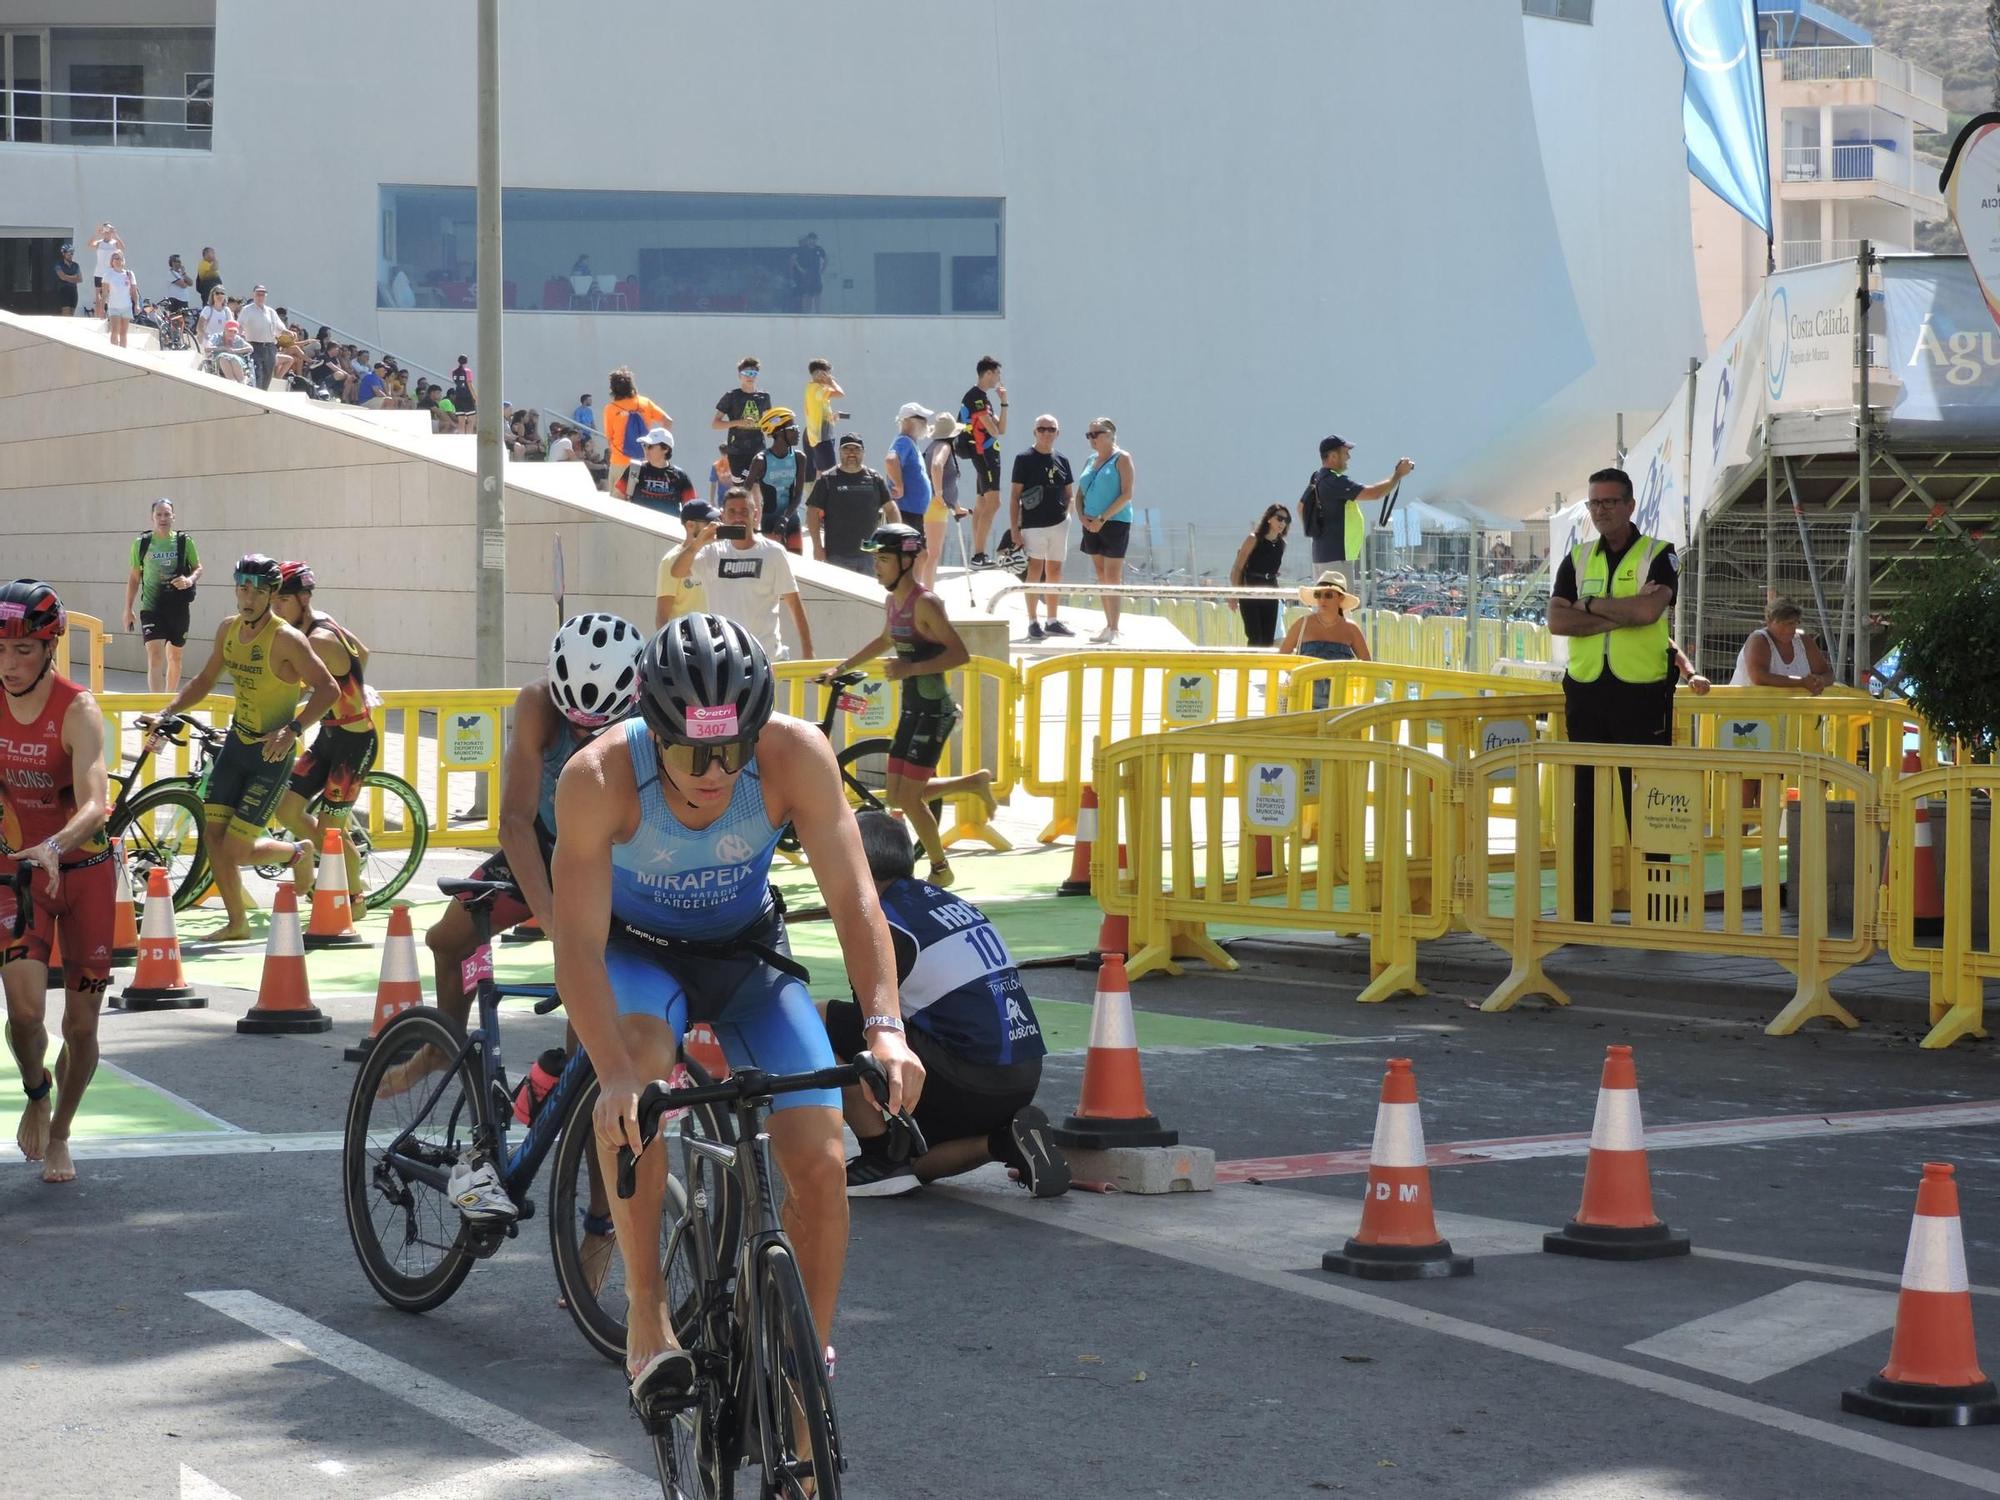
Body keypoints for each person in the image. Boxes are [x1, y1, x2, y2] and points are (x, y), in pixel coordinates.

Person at [552, 612, 923, 1405]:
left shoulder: (796, 755)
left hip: (748, 956)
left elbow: (857, 901)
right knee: (642, 1077)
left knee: (822, 1163)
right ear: (653, 729)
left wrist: (887, 1029)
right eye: (690, 749)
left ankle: (802, 1374)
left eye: (732, 747)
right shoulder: (598, 777)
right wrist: (614, 1075)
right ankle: (648, 1310)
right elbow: (578, 947)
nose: (714, 770)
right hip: (638, 956)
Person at [825, 811, 1067, 1197]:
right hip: (1020, 1076)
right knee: (916, 1164)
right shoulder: (942, 900)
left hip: (969, 1074)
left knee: (819, 1017)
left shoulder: (879, 921)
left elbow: (872, 1019)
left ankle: (878, 1158)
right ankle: (1003, 1141)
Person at [145, 554, 340, 943]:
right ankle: (237, 923)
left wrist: (293, 729)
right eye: (242, 588)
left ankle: (295, 852)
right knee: (214, 840)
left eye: (258, 591)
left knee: (235, 849)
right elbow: (203, 679)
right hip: (237, 745)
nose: (248, 598)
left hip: (271, 754)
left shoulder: (287, 639)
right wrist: (166, 711)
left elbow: (329, 689)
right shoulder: (228, 629)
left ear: (271, 595)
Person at [0, 582, 112, 1186]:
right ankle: (37, 1091)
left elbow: (95, 803)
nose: (8, 665)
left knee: (82, 1026)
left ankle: (62, 1132)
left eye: (21, 651)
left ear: (48, 647)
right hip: (18, 874)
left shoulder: (78, 710)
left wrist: (55, 844)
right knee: (22, 1012)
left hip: (86, 873)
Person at [817, 524, 998, 887]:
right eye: (876, 560)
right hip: (913, 707)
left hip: (934, 709)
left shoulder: (926, 603)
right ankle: (973, 782)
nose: (877, 567)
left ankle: (941, 868)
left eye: (883, 559)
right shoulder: (892, 602)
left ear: (906, 560)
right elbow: (885, 640)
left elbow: (960, 654)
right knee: (899, 794)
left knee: (911, 799)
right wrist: (840, 667)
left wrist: (910, 667)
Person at [1546, 467, 1678, 923]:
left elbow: (1647, 611)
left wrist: (1586, 606)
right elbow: (1557, 622)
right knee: (1587, 805)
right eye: (1594, 503)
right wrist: (1617, 614)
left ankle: (1658, 912)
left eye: (1609, 502)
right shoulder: (1577, 558)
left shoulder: (1660, 554)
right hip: (1586, 694)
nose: (1600, 511)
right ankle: (1583, 911)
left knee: (1649, 806)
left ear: (1630, 505)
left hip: (1641, 697)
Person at [269, 562, 378, 909]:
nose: (276, 609)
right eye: (273, 600)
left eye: (283, 601)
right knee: (287, 810)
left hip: (355, 742)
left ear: (303, 598)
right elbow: (362, 652)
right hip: (330, 737)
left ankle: (353, 897)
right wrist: (353, 686)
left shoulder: (317, 639)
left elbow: (296, 683)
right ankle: (334, 861)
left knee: (332, 827)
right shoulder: (319, 621)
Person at [663, 487, 814, 662]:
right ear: (723, 516)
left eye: (744, 511)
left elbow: (794, 603)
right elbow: (677, 571)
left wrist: (808, 651)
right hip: (723, 656)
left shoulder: (773, 552)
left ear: (755, 514)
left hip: (764, 656)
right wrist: (699, 542)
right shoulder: (712, 551)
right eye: (732, 512)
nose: (738, 517)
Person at [123, 499, 202, 693]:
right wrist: (128, 609)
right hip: (151, 607)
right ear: (152, 518)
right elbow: (134, 577)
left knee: (175, 658)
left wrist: (189, 580)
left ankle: (169, 703)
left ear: (173, 516)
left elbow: (198, 568)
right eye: (159, 514)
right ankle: (156, 708)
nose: (163, 518)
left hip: (178, 608)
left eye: (167, 514)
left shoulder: (184, 541)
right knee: (155, 656)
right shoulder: (142, 543)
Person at [1303, 435, 1414, 571]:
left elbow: (1300, 507)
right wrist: (1398, 475)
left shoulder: (1318, 477)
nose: (1348, 457)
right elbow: (1374, 493)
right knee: (1341, 593)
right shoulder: (1334, 481)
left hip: (1326, 555)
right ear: (1333, 456)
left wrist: (1317, 530)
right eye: (1345, 453)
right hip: (1337, 557)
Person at [1009, 415, 1075, 641]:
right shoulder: (1024, 458)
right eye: (1042, 428)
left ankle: (1052, 620)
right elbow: (1014, 496)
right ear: (1035, 431)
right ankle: (1032, 621)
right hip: (1033, 524)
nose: (1047, 432)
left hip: (1059, 523)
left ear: (1058, 432)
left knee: (1055, 571)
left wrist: (1068, 514)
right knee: (1035, 571)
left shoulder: (1063, 460)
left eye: (1051, 429)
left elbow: (1069, 493)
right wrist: (1015, 529)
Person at [1074, 418, 1136, 643]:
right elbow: (1079, 492)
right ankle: (1107, 624)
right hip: (1089, 522)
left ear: (1110, 434)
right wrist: (1081, 516)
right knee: (1101, 574)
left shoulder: (1122, 458)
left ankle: (1115, 627)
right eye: (1089, 435)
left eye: (1096, 434)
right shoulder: (1091, 460)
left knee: (1112, 576)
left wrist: (1102, 518)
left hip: (1114, 522)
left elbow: (1127, 494)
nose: (1092, 439)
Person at [808, 433, 898, 575]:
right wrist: (817, 547)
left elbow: (891, 509)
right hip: (838, 555)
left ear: (863, 452)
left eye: (856, 449)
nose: (851, 453)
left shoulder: (874, 478)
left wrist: (895, 537)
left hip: (870, 554)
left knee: (866, 596)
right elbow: (812, 512)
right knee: (840, 597)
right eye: (847, 449)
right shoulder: (827, 479)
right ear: (839, 452)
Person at [1281, 570, 1371, 709]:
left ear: (1340, 598)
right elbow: (1282, 657)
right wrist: (1298, 675)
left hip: (1339, 702)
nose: (1322, 599)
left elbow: (1367, 665)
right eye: (1318, 595)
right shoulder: (1303, 623)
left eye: (1328, 595)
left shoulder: (1351, 629)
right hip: (1303, 700)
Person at [959, 357, 1010, 565]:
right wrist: (995, 425)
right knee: (994, 503)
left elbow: (1002, 430)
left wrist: (1004, 403)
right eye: (997, 373)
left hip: (987, 453)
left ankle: (976, 554)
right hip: (984, 454)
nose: (999, 378)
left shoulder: (985, 399)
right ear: (988, 373)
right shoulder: (976, 397)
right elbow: (993, 430)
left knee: (981, 503)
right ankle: (979, 555)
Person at [746, 408, 811, 554]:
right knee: (771, 566)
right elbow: (744, 492)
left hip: (791, 519)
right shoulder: (761, 460)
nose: (798, 432)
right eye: (793, 428)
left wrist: (785, 518)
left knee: (797, 565)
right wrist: (748, 518)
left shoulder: (799, 458)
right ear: (779, 432)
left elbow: (798, 494)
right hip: (770, 522)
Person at [1730, 600, 1832, 693]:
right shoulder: (1758, 640)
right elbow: (1759, 677)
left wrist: (1820, 681)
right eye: (1783, 624)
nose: (1788, 629)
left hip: (1789, 711)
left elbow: (1827, 674)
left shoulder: (1804, 641)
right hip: (1746, 709)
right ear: (1769, 622)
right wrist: (1802, 682)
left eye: (1793, 623)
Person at [1231, 505, 1293, 648]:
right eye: (1280, 518)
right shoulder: (1253, 539)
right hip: (1250, 590)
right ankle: (1252, 669)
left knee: (1268, 640)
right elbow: (1238, 568)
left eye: (1286, 520)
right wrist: (1233, 595)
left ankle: (1264, 669)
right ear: (1269, 518)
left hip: (1271, 592)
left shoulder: (1281, 544)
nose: (1283, 523)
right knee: (1255, 637)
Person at [603, 367, 671, 495]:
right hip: (644, 462)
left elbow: (609, 438)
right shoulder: (645, 403)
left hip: (620, 462)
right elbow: (668, 421)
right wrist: (659, 447)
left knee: (617, 506)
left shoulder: (610, 409)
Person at [922, 413, 969, 589]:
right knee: (933, 553)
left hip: (931, 503)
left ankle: (926, 589)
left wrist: (956, 507)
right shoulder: (944, 446)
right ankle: (927, 591)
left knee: (929, 552)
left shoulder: (932, 445)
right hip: (936, 505)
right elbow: (936, 466)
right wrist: (940, 494)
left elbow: (950, 487)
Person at [654, 499, 717, 625]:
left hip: (714, 634)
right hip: (686, 637)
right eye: (709, 522)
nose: (714, 526)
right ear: (690, 526)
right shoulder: (670, 560)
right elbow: (662, 615)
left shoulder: (715, 553)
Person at [712, 357, 771, 481]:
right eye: (747, 373)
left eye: (754, 374)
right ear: (740, 376)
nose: (751, 377)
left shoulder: (764, 397)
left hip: (758, 448)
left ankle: (759, 501)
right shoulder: (731, 396)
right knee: (742, 482)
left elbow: (768, 421)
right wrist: (739, 422)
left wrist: (775, 426)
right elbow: (715, 424)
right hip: (737, 450)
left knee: (756, 482)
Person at [621, 427, 696, 519]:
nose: (646, 450)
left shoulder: (681, 476)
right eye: (644, 445)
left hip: (666, 531)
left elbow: (691, 509)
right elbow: (617, 497)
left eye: (650, 446)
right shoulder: (635, 469)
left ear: (665, 449)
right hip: (638, 528)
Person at [884, 403, 934, 529]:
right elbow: (891, 460)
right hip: (906, 511)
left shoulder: (909, 442)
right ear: (909, 421)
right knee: (910, 547)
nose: (926, 424)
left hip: (912, 511)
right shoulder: (904, 441)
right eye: (923, 420)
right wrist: (898, 485)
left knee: (918, 548)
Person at [802, 358, 847, 482]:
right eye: (827, 373)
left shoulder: (813, 389)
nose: (830, 376)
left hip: (821, 434)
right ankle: (830, 496)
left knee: (821, 471)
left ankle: (820, 497)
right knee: (831, 471)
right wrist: (830, 381)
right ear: (821, 374)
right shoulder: (816, 389)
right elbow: (840, 393)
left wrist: (832, 418)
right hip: (821, 437)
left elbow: (816, 412)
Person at [239, 285, 285, 389]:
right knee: (257, 375)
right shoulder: (247, 310)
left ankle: (262, 396)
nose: (260, 296)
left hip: (269, 347)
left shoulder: (271, 312)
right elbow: (240, 325)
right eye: (258, 294)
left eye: (263, 294)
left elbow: (279, 327)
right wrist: (238, 336)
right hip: (254, 346)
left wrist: (289, 333)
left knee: (268, 375)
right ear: (253, 295)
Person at [102, 250, 137, 349]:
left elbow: (134, 291)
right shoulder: (108, 274)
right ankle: (114, 353)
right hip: (114, 306)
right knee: (115, 331)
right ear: (112, 261)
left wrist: (137, 304)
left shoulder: (129, 274)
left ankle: (123, 353)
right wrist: (102, 308)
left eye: (119, 258)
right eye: (115, 258)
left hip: (126, 306)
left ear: (123, 260)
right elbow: (104, 293)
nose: (117, 261)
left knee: (123, 333)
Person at [88, 224, 122, 320]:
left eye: (109, 230)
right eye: (106, 230)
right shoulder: (99, 243)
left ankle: (109, 316)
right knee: (98, 296)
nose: (107, 232)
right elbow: (89, 245)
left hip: (110, 273)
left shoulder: (115, 243)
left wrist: (115, 235)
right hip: (99, 272)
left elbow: (122, 248)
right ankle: (98, 317)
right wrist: (96, 234)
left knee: (108, 295)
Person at [790, 232, 827, 313]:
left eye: (814, 239)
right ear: (808, 240)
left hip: (816, 275)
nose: (812, 241)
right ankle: (807, 313)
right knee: (807, 295)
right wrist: (800, 269)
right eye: (810, 239)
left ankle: (818, 313)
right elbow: (793, 259)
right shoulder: (802, 249)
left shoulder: (819, 249)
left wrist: (823, 269)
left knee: (817, 293)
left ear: (816, 240)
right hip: (807, 275)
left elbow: (826, 258)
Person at [55, 244, 82, 317]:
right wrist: (74, 277)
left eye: (72, 253)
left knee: (72, 314)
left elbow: (80, 279)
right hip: (63, 290)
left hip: (73, 290)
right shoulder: (59, 264)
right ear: (63, 253)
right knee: (66, 313)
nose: (71, 255)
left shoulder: (76, 265)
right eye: (68, 253)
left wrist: (67, 276)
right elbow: (62, 277)